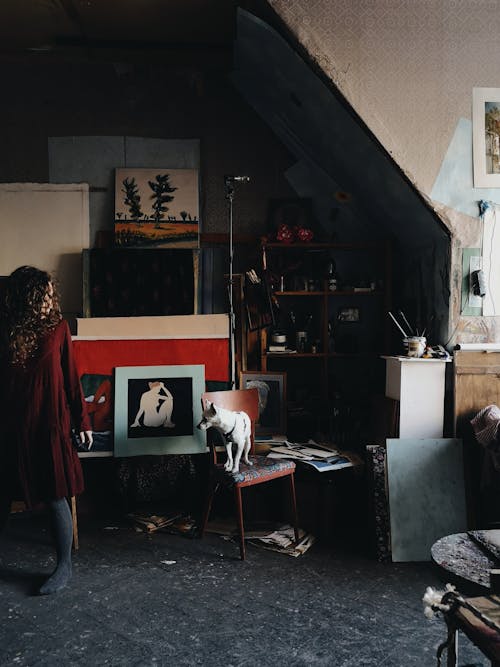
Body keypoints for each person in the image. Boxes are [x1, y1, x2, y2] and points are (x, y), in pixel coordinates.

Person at [0, 266, 93, 595]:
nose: (51, 299)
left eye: (52, 293)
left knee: (55, 496)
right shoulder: (6, 328)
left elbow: (71, 379)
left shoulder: (58, 329)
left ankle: (63, 565)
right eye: (45, 294)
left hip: (48, 424)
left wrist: (82, 421)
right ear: (28, 297)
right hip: (10, 426)